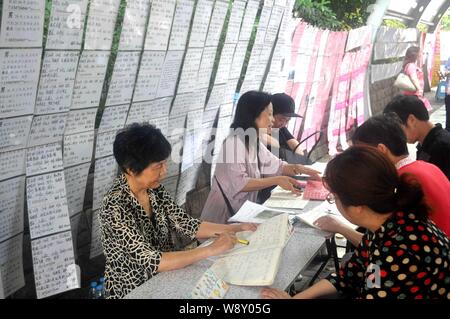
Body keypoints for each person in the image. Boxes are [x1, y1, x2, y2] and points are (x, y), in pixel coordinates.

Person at [261, 146, 450, 299]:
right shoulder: (388, 220)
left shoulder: (399, 251)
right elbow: (353, 271)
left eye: (334, 197)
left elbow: (374, 278)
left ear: (358, 206)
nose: (334, 201)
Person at [99, 123, 257, 299]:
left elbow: (186, 223)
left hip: (164, 278)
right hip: (132, 289)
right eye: (157, 167)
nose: (164, 172)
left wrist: (235, 228)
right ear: (131, 169)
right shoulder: (114, 207)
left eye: (165, 164)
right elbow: (153, 261)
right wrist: (211, 249)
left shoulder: (154, 190)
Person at [314, 114, 450, 246]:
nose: (360, 160)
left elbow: (385, 243)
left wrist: (340, 227)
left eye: (362, 153)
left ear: (381, 149)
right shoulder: (425, 166)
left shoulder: (399, 181)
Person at [201, 91, 321, 224]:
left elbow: (278, 166)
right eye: (269, 114)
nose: (272, 119)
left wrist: (300, 169)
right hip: (221, 218)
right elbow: (240, 183)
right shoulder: (234, 144)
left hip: (240, 214)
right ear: (253, 115)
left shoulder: (253, 141)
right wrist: (278, 179)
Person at [384, 95, 450, 180]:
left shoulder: (442, 147)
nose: (397, 135)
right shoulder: (426, 144)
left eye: (397, 129)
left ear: (411, 120)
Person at [260, 93, 310, 164]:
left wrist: (299, 160)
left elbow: (295, 145)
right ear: (270, 114)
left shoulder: (281, 129)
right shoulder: (254, 132)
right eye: (281, 119)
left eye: (287, 120)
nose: (283, 124)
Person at [401, 46, 431, 111]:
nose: (421, 54)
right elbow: (413, 78)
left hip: (414, 94)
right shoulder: (411, 66)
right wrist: (419, 89)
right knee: (419, 113)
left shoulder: (411, 65)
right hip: (414, 94)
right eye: (420, 52)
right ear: (415, 54)